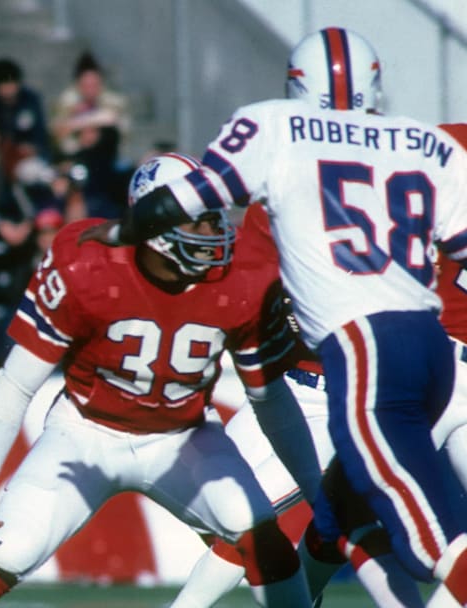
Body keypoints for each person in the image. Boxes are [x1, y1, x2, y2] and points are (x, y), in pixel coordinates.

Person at [116, 28, 467, 604]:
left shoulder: (280, 155)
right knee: (357, 524)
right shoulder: (428, 146)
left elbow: (239, 280)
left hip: (337, 375)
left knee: (380, 534)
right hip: (422, 366)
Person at [0, 152, 311, 608]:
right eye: (199, 222)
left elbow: (270, 399)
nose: (215, 233)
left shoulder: (244, 278)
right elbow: (15, 384)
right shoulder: (88, 264)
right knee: (13, 550)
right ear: (152, 226)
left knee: (260, 533)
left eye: (215, 219)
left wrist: (310, 483)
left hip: (183, 435)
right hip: (84, 432)